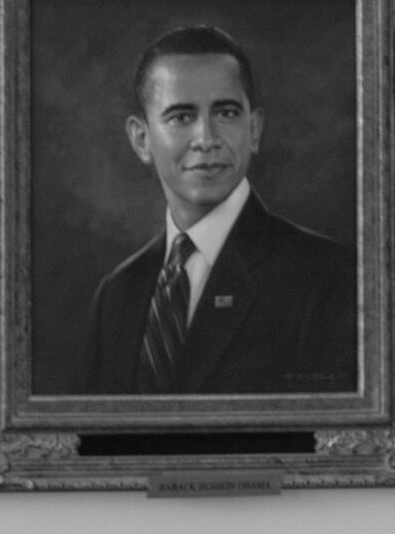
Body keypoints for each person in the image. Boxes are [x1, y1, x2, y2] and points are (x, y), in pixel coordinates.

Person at [56, 24, 358, 396]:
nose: (207, 139)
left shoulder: (328, 280)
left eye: (227, 113)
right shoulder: (117, 296)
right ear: (142, 139)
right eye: (182, 117)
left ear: (256, 129)